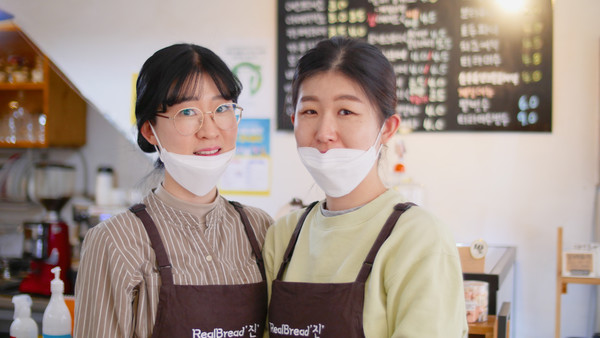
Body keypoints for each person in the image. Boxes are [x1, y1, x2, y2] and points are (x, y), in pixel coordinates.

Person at [263, 36, 468, 337]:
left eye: (346, 111)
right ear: (293, 120)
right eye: (310, 112)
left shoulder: (418, 237)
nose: (324, 132)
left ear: (387, 128)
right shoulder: (283, 235)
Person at [74, 43, 273, 338]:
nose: (209, 130)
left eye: (222, 109)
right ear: (150, 130)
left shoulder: (261, 228)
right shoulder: (115, 241)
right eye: (188, 112)